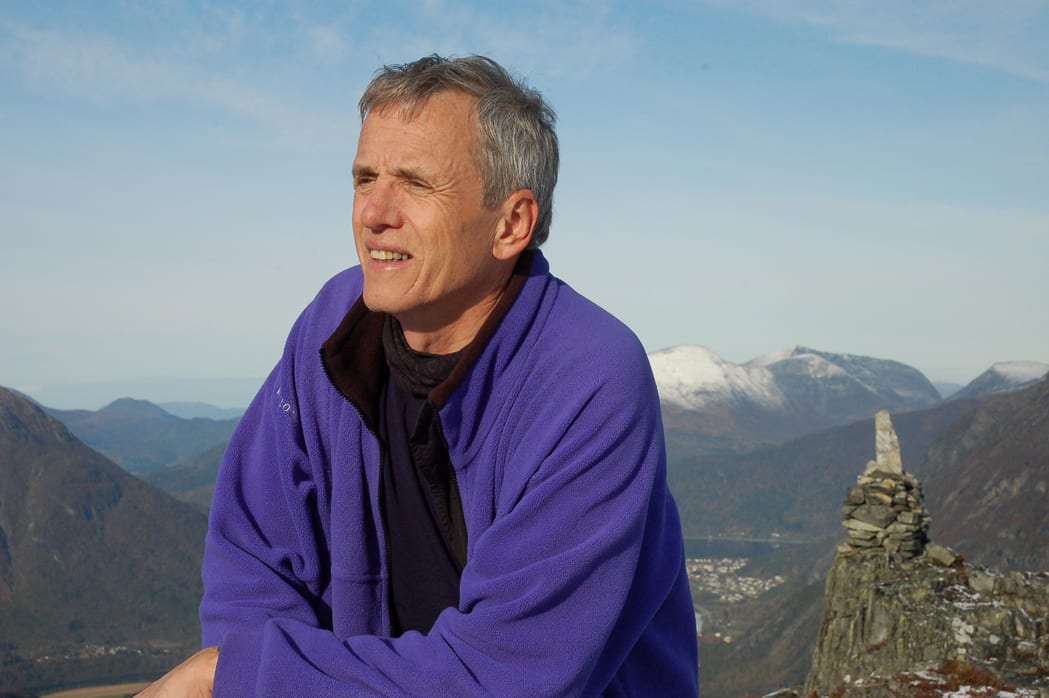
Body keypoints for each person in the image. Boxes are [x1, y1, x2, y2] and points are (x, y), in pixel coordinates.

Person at [138, 54, 698, 697]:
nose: (374, 212)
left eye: (415, 183)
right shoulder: (332, 328)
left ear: (511, 224)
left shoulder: (588, 378)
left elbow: (507, 677)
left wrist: (240, 677)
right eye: (364, 178)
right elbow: (255, 556)